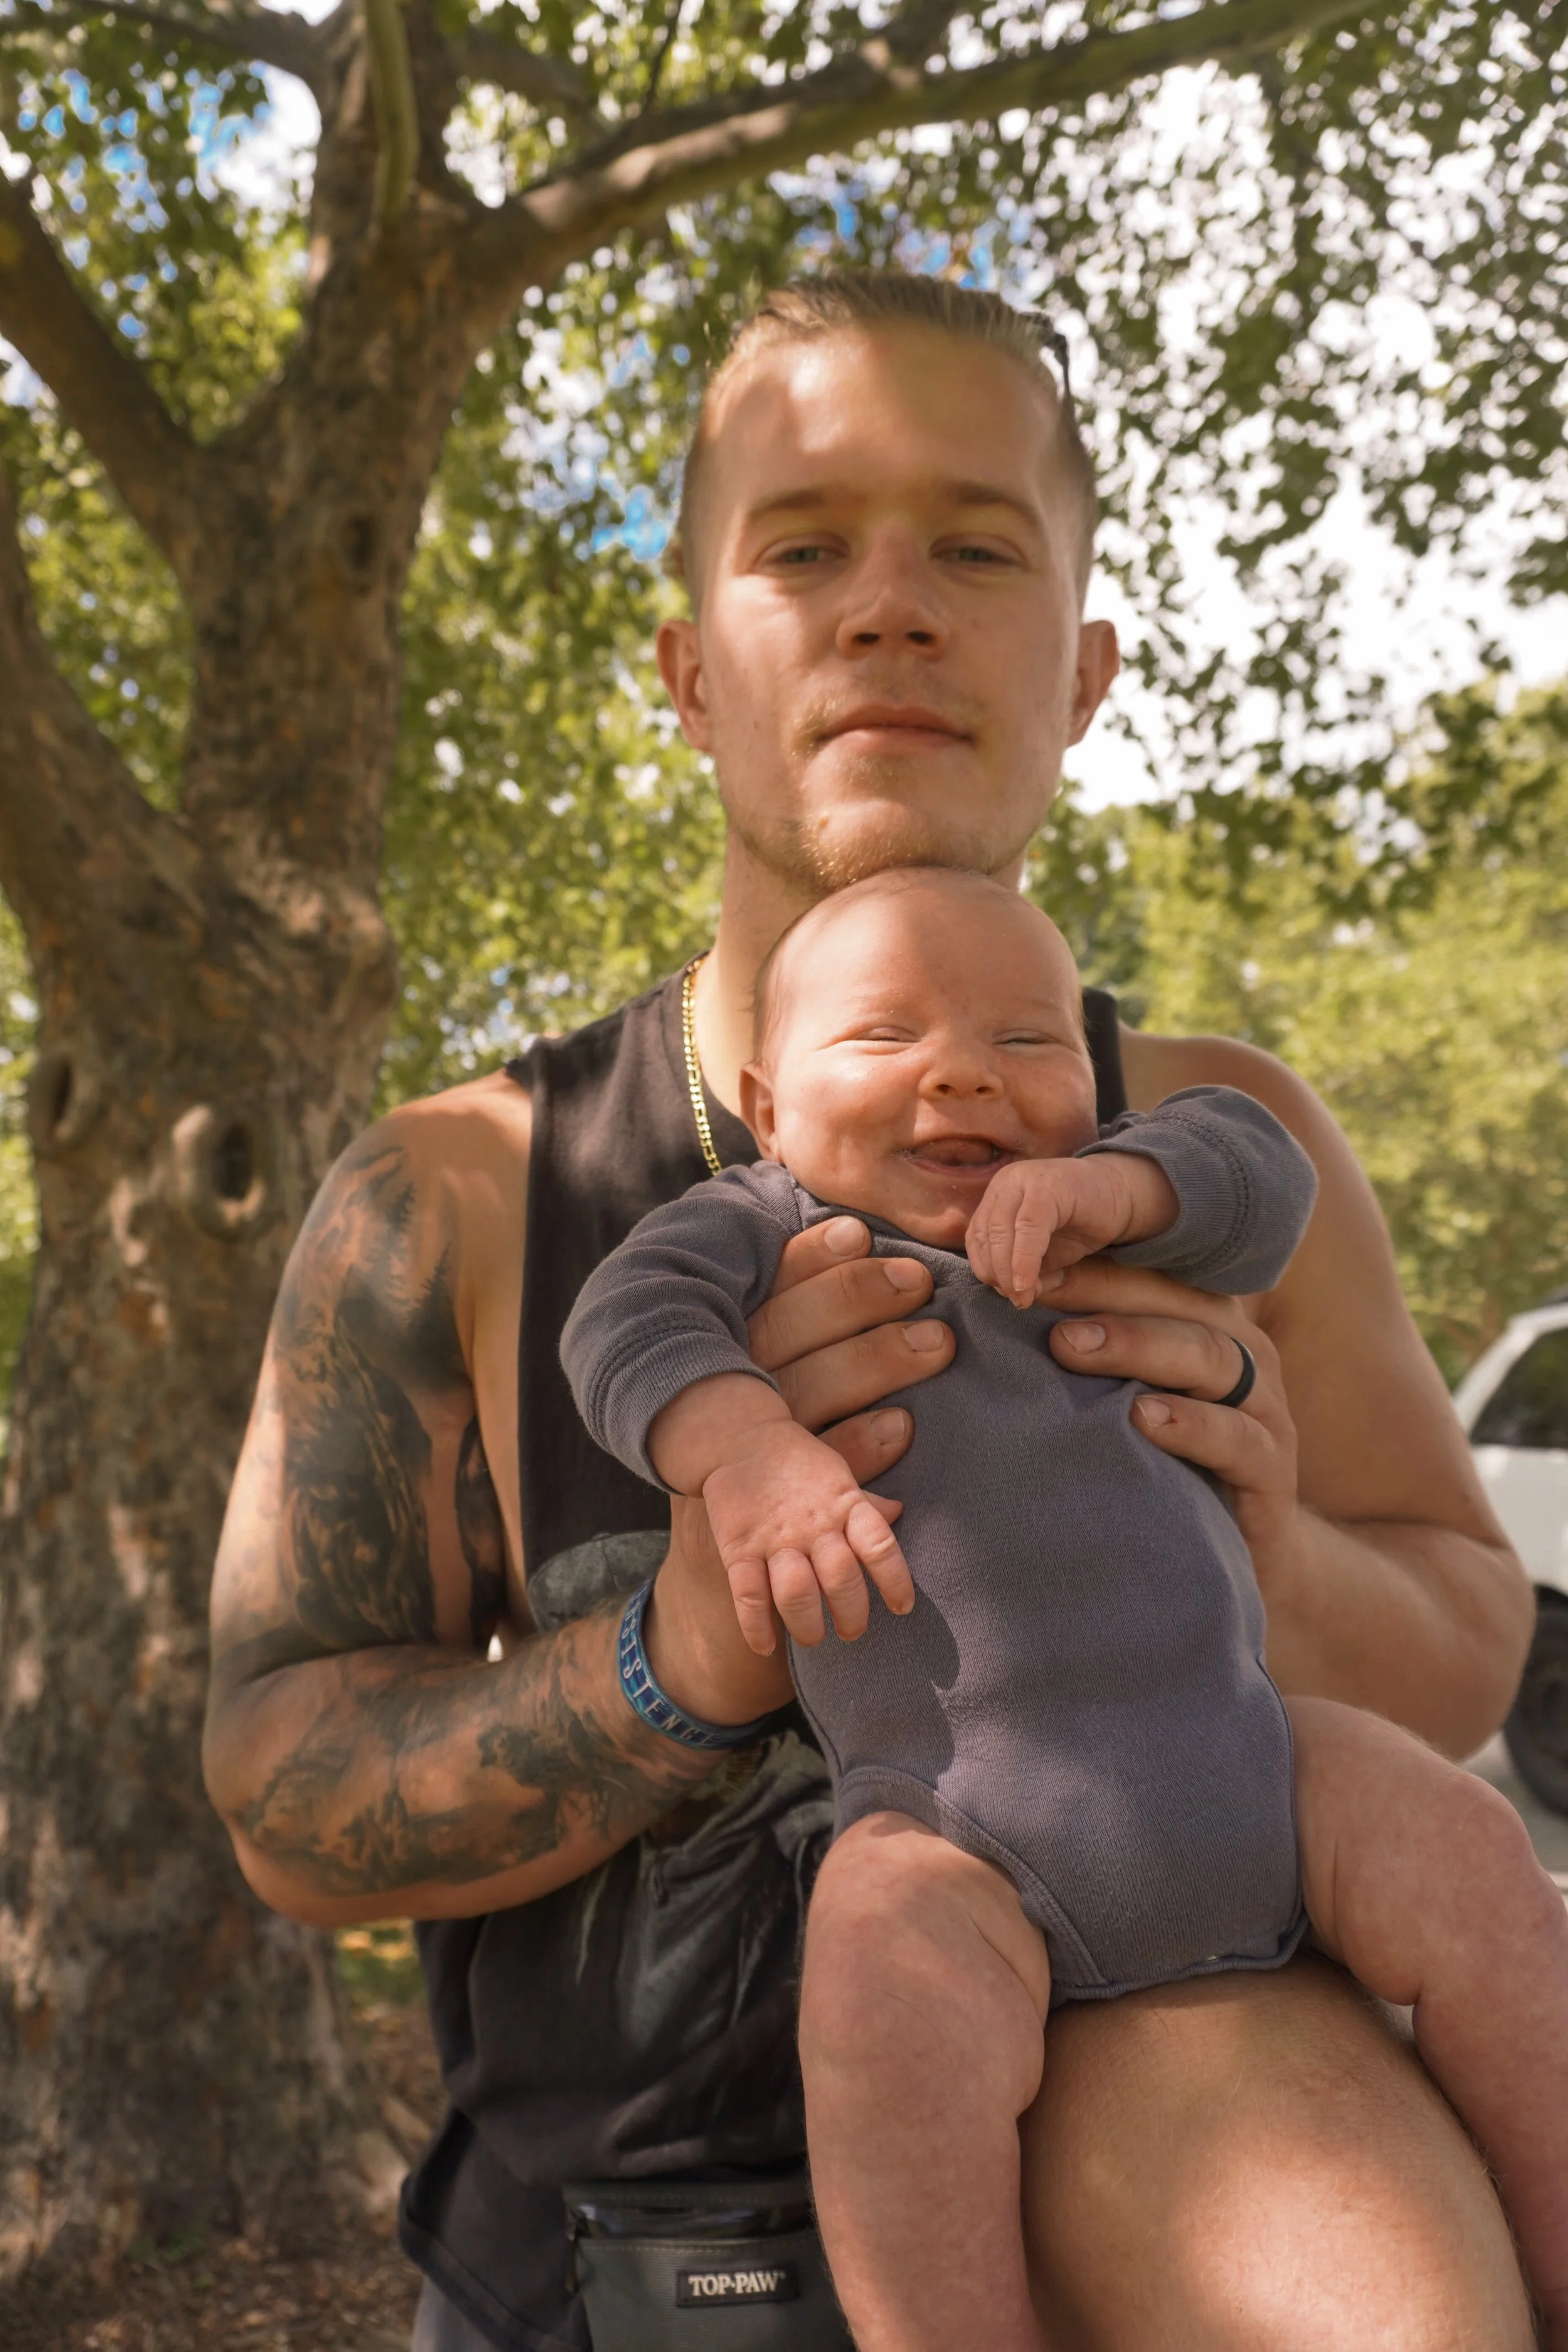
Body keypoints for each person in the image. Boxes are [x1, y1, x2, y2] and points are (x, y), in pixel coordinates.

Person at [203, 272, 1540, 2350]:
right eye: (803, 543)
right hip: (613, 2278)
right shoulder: (457, 1190)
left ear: (1085, 670)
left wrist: (1251, 1543)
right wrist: (688, 1649)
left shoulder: (1221, 1134)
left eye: (977, 547)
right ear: (684, 668)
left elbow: (1462, 1651)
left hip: (1196, 2087)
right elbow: (284, 1798)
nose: (890, 605)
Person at [563, 866, 1568, 2351]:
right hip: (963, 1833)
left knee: (1477, 1858)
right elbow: (621, 1331)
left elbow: (1254, 1167)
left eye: (1024, 1041)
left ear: (1089, 1083)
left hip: (1252, 1764)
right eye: (882, 1036)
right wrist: (751, 1454)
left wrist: (1120, 1187)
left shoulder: (1125, 1202)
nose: (960, 1067)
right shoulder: (751, 1228)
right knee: (874, 2004)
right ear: (769, 1111)